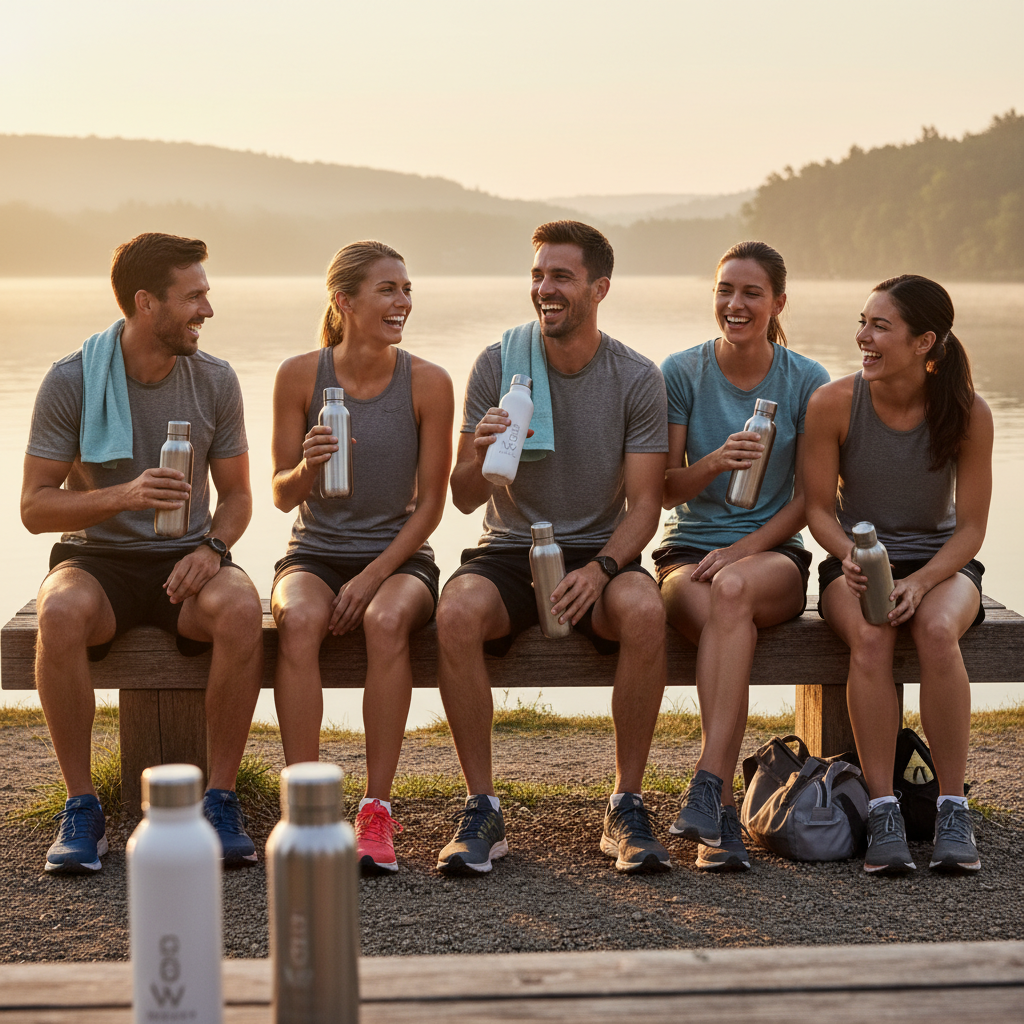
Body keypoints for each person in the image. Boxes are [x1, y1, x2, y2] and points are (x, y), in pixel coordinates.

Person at [21, 232, 264, 874]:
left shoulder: (215, 380)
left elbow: (239, 497)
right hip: (98, 561)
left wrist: (214, 548)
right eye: (193, 297)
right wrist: (123, 494)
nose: (207, 310)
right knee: (59, 614)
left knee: (242, 609)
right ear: (145, 303)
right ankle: (82, 807)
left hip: (190, 560)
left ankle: (220, 798)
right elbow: (34, 508)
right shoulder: (71, 381)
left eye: (206, 295)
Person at [436, 220, 671, 876]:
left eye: (560, 276)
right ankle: (481, 808)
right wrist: (479, 452)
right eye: (538, 274)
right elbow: (460, 497)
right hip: (510, 547)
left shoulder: (636, 377)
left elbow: (647, 505)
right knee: (453, 614)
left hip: (601, 546)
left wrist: (601, 570)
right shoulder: (496, 364)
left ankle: (626, 805)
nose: (545, 288)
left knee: (647, 612)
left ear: (599, 288)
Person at [270, 241, 453, 876]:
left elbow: (431, 507)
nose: (403, 302)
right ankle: (305, 809)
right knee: (296, 622)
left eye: (406, 289)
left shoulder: (428, 382)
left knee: (384, 621)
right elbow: (278, 494)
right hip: (315, 552)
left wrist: (375, 576)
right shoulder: (299, 375)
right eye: (388, 290)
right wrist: (306, 465)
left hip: (400, 558)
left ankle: (376, 811)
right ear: (344, 302)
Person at [804, 274, 992, 875]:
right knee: (872, 636)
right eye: (862, 322)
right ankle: (884, 809)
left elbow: (970, 531)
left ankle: (951, 809)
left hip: (941, 563)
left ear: (924, 341)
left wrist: (922, 581)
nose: (864, 337)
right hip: (855, 561)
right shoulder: (834, 403)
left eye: (880, 327)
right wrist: (854, 556)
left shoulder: (969, 412)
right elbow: (816, 511)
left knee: (937, 632)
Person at [655, 240, 830, 871]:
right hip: (686, 556)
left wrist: (742, 550)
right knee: (726, 613)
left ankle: (711, 786)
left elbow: (812, 500)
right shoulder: (682, 371)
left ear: (778, 302)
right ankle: (720, 812)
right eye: (725, 290)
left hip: (771, 557)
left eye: (751, 293)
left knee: (733, 594)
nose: (735, 304)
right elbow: (663, 489)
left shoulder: (806, 380)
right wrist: (712, 463)